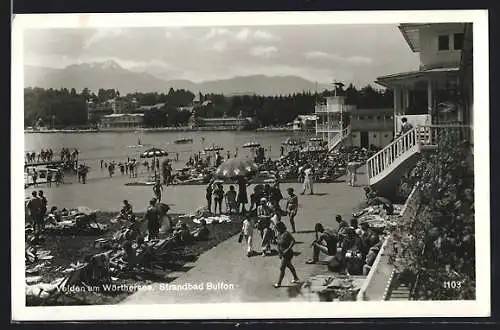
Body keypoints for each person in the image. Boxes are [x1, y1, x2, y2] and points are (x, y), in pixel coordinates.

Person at [273, 222, 300, 288]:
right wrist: (279, 253)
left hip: (288, 253)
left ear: (281, 227)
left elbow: (293, 241)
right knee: (289, 265)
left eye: (277, 228)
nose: (277, 229)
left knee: (282, 268)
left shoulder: (286, 233)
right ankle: (296, 277)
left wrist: (287, 249)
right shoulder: (279, 234)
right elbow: (278, 244)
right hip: (282, 253)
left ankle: (279, 283)